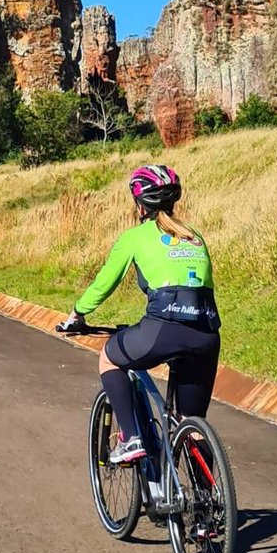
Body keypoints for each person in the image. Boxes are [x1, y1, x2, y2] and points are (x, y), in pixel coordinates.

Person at [57, 164, 220, 465]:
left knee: (109, 357)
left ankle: (131, 438)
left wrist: (76, 315)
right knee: (192, 422)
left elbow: (105, 283)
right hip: (206, 334)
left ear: (139, 204)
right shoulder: (194, 237)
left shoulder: (135, 237)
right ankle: (210, 503)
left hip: (163, 330)